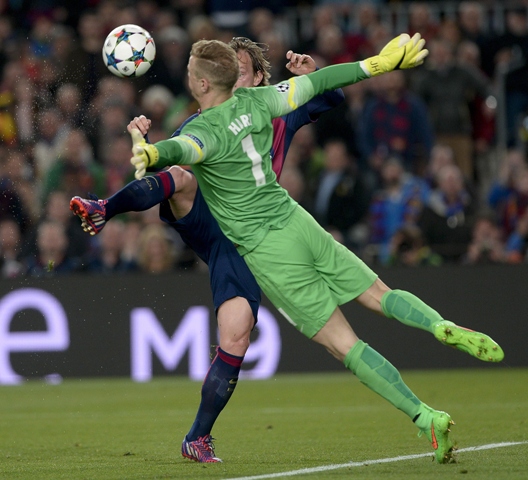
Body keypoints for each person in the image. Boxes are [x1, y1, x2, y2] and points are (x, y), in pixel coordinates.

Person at [128, 35, 504, 465]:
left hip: (267, 249)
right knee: (379, 294)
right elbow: (322, 79)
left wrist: (149, 149)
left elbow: (178, 152)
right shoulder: (262, 101)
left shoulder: (202, 130)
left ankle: (424, 415)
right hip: (297, 220)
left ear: (200, 85)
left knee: (345, 345)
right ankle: (440, 325)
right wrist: (378, 64)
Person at [70, 37, 345, 463]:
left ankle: (197, 437)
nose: (231, 74)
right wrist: (144, 142)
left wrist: (312, 74)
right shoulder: (200, 125)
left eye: (241, 68)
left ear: (257, 78)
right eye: (225, 67)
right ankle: (104, 208)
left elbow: (335, 98)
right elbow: (161, 163)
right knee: (181, 176)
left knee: (236, 333)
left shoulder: (277, 108)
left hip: (247, 239)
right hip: (207, 218)